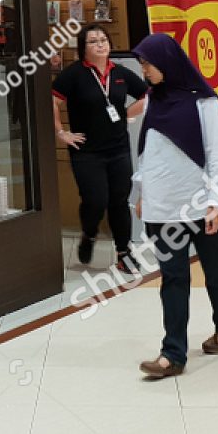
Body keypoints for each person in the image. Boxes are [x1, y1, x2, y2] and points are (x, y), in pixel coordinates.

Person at [132, 32, 218, 379]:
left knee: (216, 271)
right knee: (173, 277)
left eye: (147, 63)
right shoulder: (152, 100)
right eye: (142, 64)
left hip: (201, 203)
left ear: (166, 61)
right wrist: (142, 193)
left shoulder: (203, 102)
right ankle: (172, 354)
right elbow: (150, 152)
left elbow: (217, 154)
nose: (144, 69)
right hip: (163, 206)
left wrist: (215, 204)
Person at [52, 24, 148, 273]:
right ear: (83, 48)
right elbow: (52, 101)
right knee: (96, 200)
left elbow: (147, 96)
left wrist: (126, 113)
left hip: (118, 149)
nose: (100, 44)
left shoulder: (120, 73)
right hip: (87, 151)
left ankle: (124, 253)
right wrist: (61, 132)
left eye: (103, 39)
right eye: (93, 41)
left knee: (118, 201)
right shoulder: (73, 74)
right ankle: (89, 233)